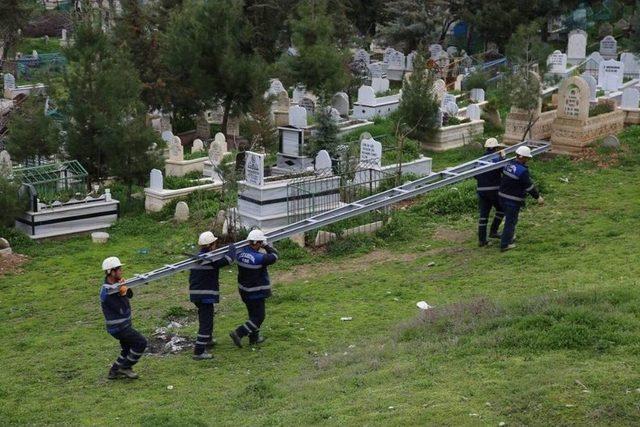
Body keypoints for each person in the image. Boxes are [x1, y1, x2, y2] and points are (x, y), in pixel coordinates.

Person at [188, 231, 235, 360]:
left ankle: (207, 340)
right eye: (215, 243)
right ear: (210, 245)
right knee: (206, 323)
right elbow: (228, 259)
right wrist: (232, 248)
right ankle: (199, 352)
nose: (216, 245)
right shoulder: (208, 259)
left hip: (197, 294)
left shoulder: (199, 256)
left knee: (206, 318)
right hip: (204, 296)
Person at [100, 257, 147, 380]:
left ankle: (113, 372)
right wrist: (122, 294)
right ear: (111, 271)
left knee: (126, 349)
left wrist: (125, 287)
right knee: (141, 343)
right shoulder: (107, 292)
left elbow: (130, 295)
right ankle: (125, 367)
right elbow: (121, 309)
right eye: (119, 269)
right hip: (119, 327)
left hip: (123, 325)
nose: (121, 271)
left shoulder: (117, 284)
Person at [229, 229, 278, 348]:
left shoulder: (240, 254)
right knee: (259, 317)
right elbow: (275, 256)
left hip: (244, 291)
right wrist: (266, 245)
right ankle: (239, 333)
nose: (261, 244)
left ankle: (254, 338)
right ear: (257, 243)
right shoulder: (259, 258)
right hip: (256, 293)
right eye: (260, 242)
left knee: (253, 315)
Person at [498, 145, 544, 252]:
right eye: (527, 158)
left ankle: (509, 237)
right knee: (511, 221)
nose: (528, 160)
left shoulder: (508, 164)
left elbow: (502, 167)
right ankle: (505, 244)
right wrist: (538, 197)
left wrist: (502, 157)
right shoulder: (522, 171)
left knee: (509, 220)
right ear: (523, 157)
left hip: (502, 197)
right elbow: (529, 186)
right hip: (512, 200)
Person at [475, 137, 505, 246]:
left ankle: (482, 240)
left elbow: (475, 175)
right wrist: (503, 158)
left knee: (483, 215)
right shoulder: (497, 158)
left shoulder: (479, 160)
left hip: (481, 190)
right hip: (494, 190)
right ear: (496, 148)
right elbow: (505, 171)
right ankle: (494, 231)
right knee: (501, 209)